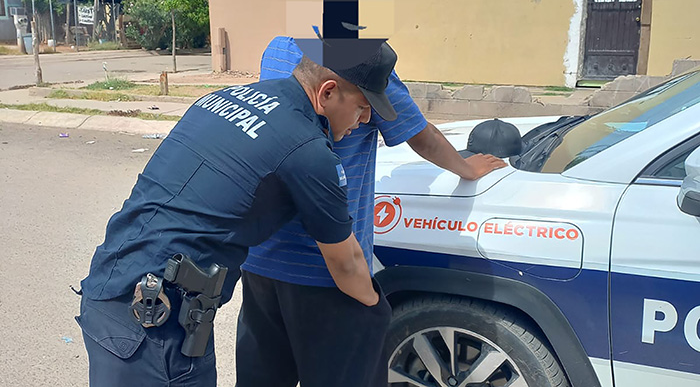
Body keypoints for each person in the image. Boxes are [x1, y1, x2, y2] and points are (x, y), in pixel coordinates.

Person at [75, 40, 405, 387]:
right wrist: (375, 308)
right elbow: (346, 264)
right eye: (363, 106)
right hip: (155, 327)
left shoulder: (221, 99)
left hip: (110, 293)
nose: (366, 119)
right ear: (327, 93)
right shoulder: (308, 151)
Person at [236, 36, 507, 387]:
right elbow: (419, 135)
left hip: (261, 260)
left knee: (263, 377)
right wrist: (467, 169)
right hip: (328, 271)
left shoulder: (278, 49)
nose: (363, 119)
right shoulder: (361, 66)